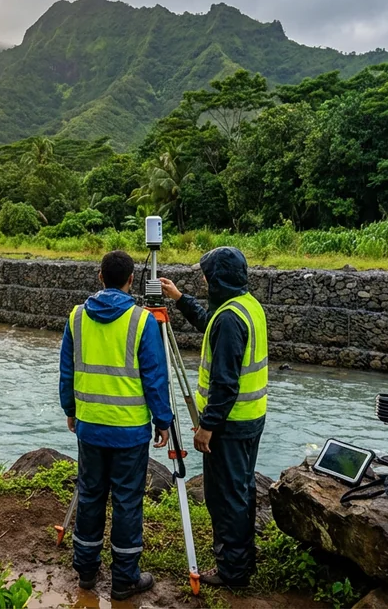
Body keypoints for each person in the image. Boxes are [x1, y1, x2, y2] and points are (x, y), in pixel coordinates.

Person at [59, 250, 174, 600]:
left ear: (99, 277)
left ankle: (86, 572)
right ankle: (125, 578)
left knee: (91, 495)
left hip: (90, 426)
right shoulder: (142, 321)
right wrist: (163, 420)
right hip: (129, 430)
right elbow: (155, 377)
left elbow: (67, 370)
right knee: (126, 501)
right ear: (131, 280)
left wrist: (70, 408)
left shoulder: (77, 317)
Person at [158, 246, 267, 588]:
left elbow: (224, 384)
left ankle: (232, 572)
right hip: (250, 418)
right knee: (241, 490)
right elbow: (209, 324)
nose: (204, 281)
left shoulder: (230, 319)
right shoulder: (246, 307)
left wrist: (207, 427)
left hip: (230, 425)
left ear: (218, 278)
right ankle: (241, 562)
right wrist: (179, 297)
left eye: (206, 276)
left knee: (226, 497)